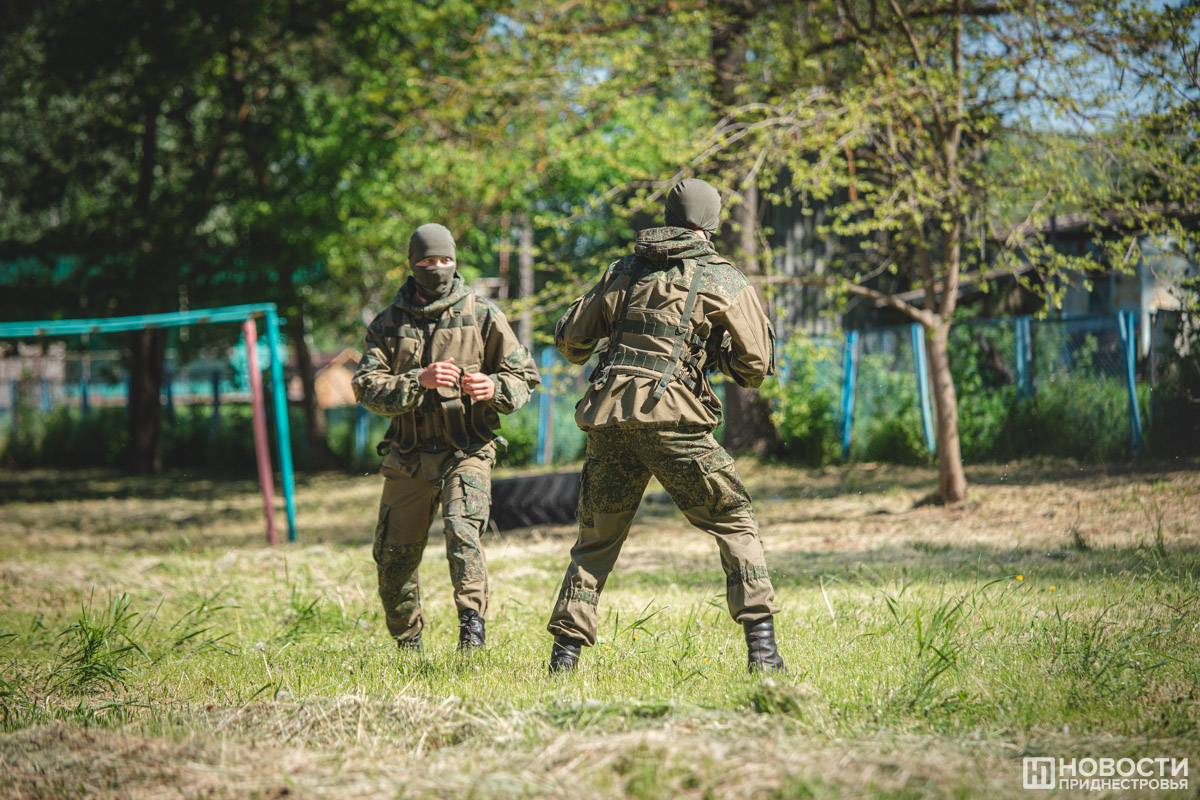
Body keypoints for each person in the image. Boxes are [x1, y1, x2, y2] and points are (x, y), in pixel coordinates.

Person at [545, 178, 787, 674]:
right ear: (711, 222)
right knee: (734, 518)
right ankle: (763, 655)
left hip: (610, 419)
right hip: (674, 419)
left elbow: (570, 343)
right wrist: (714, 353)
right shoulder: (723, 278)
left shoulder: (622, 270)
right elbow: (756, 368)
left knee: (596, 540)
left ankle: (563, 660)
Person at [354, 223, 540, 652]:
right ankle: (408, 640)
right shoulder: (388, 323)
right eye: (428, 260)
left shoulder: (482, 313)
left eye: (445, 260)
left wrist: (494, 387)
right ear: (412, 264)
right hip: (408, 456)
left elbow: (524, 376)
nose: (437, 268)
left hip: (467, 450)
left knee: (462, 530)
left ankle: (471, 629)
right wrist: (416, 381)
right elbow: (366, 387)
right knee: (394, 557)